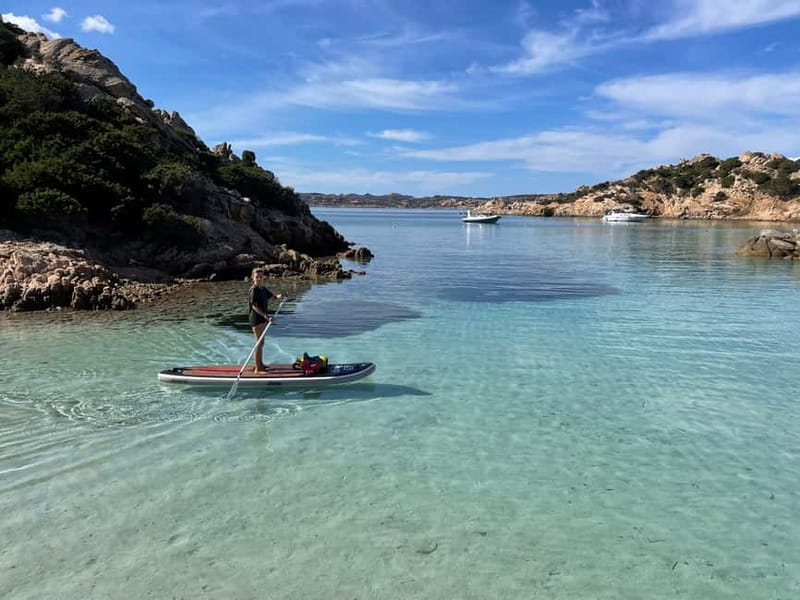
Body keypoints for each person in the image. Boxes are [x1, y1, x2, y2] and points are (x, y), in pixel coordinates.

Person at [248, 267, 283, 374]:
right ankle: (258, 369)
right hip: (256, 319)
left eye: (261, 277)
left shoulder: (263, 289)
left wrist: (280, 296)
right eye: (257, 277)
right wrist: (265, 316)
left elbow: (273, 297)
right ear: (253, 278)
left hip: (263, 318)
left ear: (263, 278)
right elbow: (254, 306)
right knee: (259, 343)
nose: (259, 279)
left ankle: (260, 364)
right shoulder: (253, 290)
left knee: (261, 342)